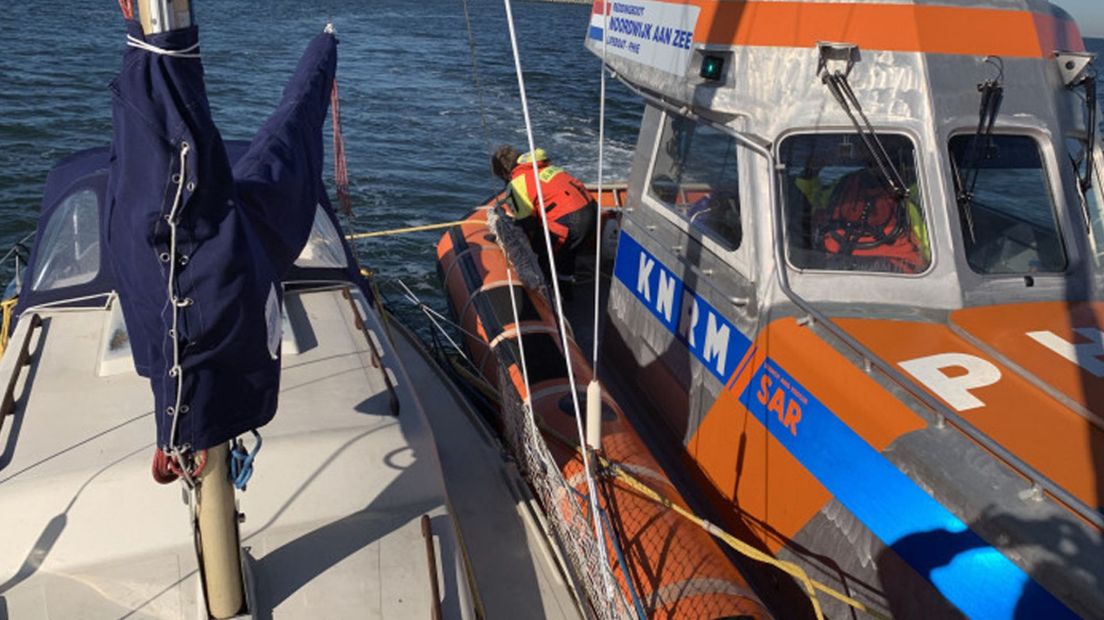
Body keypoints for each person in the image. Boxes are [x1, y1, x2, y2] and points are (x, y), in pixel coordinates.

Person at [492, 145, 597, 292]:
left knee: (541, 252)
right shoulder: (545, 168)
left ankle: (557, 292)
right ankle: (566, 280)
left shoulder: (517, 184)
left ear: (504, 173)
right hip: (591, 208)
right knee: (567, 253)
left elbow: (526, 224)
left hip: (570, 220)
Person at [794, 166, 929, 273]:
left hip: (839, 262)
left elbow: (813, 202)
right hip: (897, 266)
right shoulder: (912, 193)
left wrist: (808, 175)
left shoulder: (844, 184)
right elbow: (926, 242)